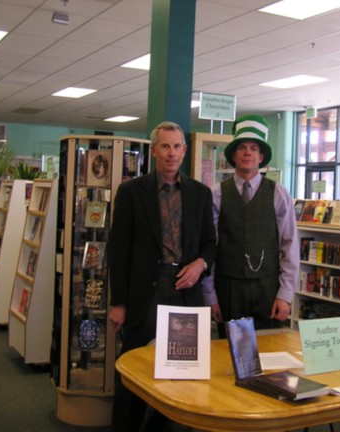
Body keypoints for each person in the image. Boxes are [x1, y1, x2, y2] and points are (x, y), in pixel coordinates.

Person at [108, 121, 216, 432]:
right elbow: (119, 250)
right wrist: (118, 303)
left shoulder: (200, 194)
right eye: (165, 146)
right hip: (145, 293)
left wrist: (199, 265)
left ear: (185, 151)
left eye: (177, 146)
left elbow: (210, 243)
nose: (171, 153)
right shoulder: (131, 192)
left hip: (185, 291)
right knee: (134, 372)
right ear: (154, 150)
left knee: (182, 373)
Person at [203, 114, 300, 336]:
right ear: (234, 155)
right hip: (228, 289)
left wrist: (284, 295)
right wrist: (210, 296)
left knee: (269, 355)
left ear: (261, 156)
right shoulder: (216, 194)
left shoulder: (278, 193)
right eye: (242, 148)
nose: (248, 153)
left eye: (254, 148)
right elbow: (209, 247)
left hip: (267, 289)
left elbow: (290, 246)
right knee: (228, 355)